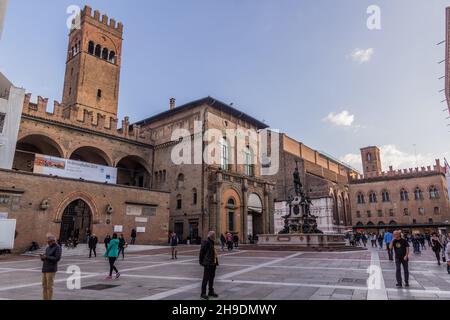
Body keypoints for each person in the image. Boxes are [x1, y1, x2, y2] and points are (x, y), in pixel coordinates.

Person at [40, 233, 62, 300]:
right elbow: (46, 257)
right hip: (45, 268)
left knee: (49, 286)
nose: (48, 242)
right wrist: (42, 257)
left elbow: (57, 258)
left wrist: (47, 257)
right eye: (47, 241)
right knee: (44, 286)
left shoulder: (57, 247)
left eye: (49, 241)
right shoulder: (48, 248)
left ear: (53, 241)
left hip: (51, 269)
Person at [199, 231, 219, 300]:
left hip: (213, 263)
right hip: (208, 263)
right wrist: (201, 261)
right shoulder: (206, 242)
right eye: (214, 235)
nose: (215, 236)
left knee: (211, 278)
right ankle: (203, 293)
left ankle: (211, 291)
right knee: (206, 278)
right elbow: (202, 252)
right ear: (211, 236)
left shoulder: (212, 242)